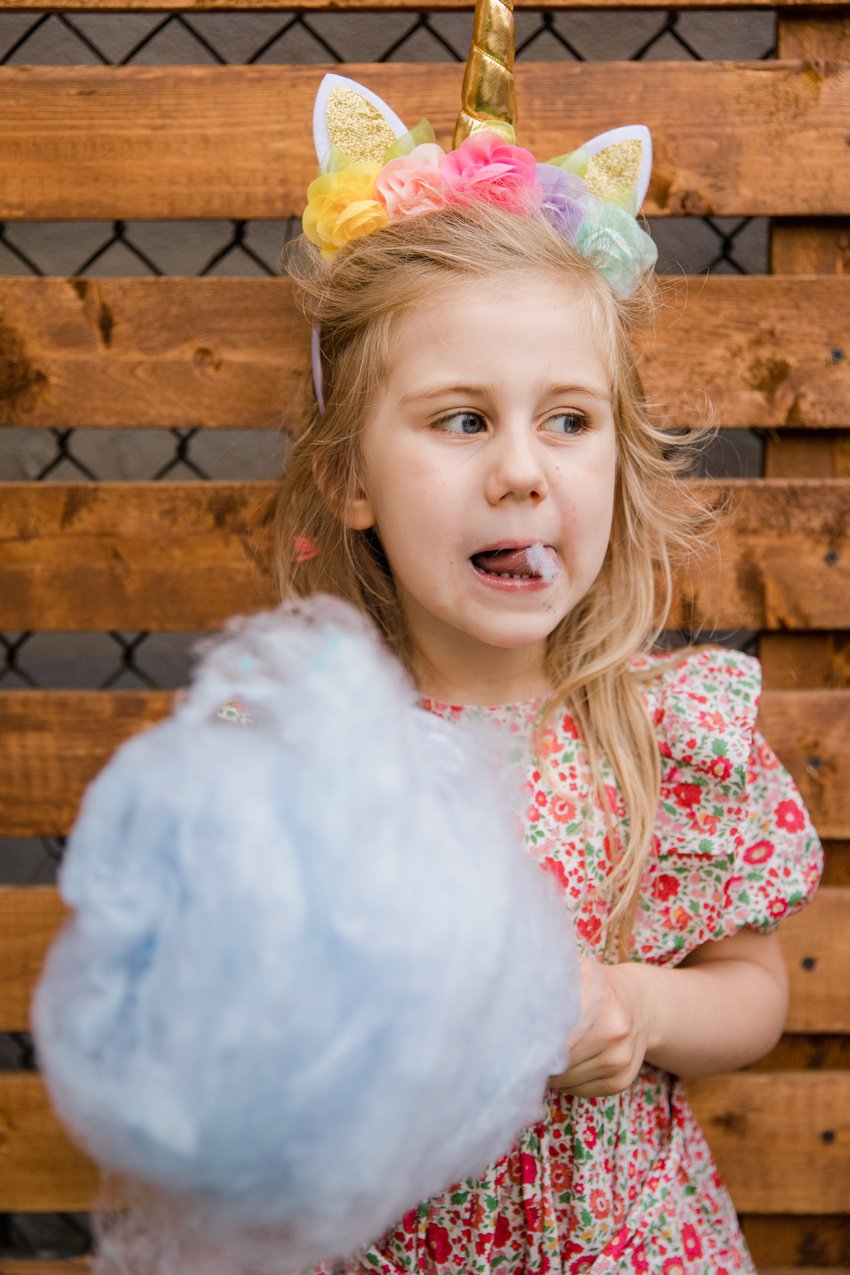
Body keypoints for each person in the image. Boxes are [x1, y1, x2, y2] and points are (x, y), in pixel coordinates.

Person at [260, 35, 823, 1275]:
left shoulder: (663, 731)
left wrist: (641, 1007)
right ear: (353, 476)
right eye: (462, 420)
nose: (521, 469)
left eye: (566, 421)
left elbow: (753, 992)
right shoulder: (307, 750)